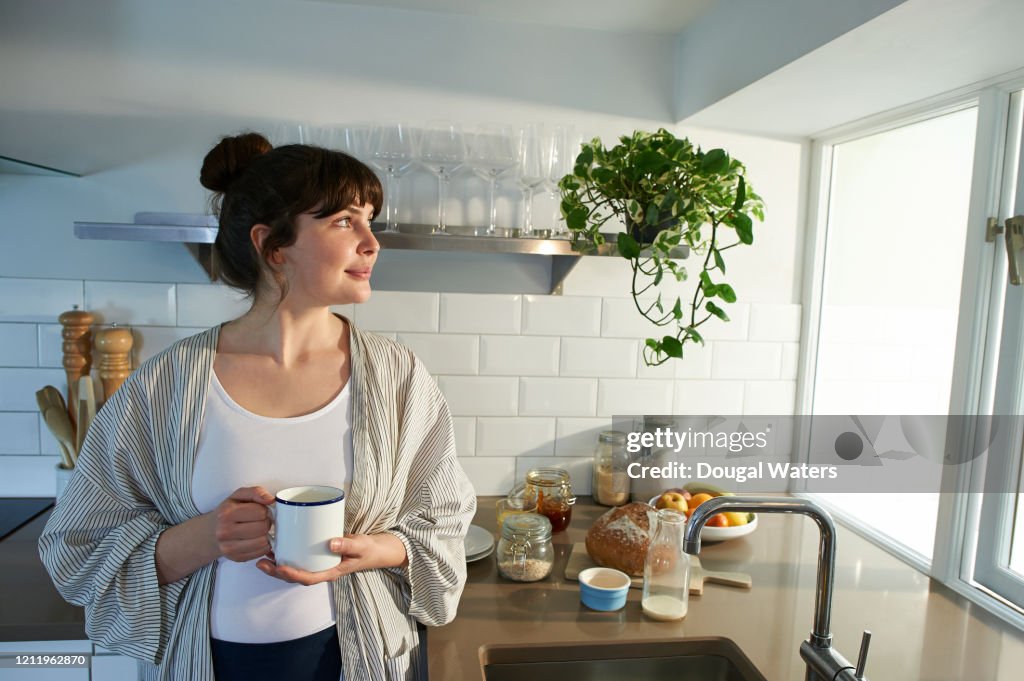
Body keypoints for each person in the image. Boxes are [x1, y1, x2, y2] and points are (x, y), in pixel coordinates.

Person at [38, 132, 477, 681]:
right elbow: (77, 545)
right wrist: (204, 536)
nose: (371, 242)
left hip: (358, 660)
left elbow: (446, 519)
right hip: (208, 665)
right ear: (272, 245)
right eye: (344, 221)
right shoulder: (166, 386)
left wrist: (376, 550)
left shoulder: (397, 378)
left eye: (370, 220)